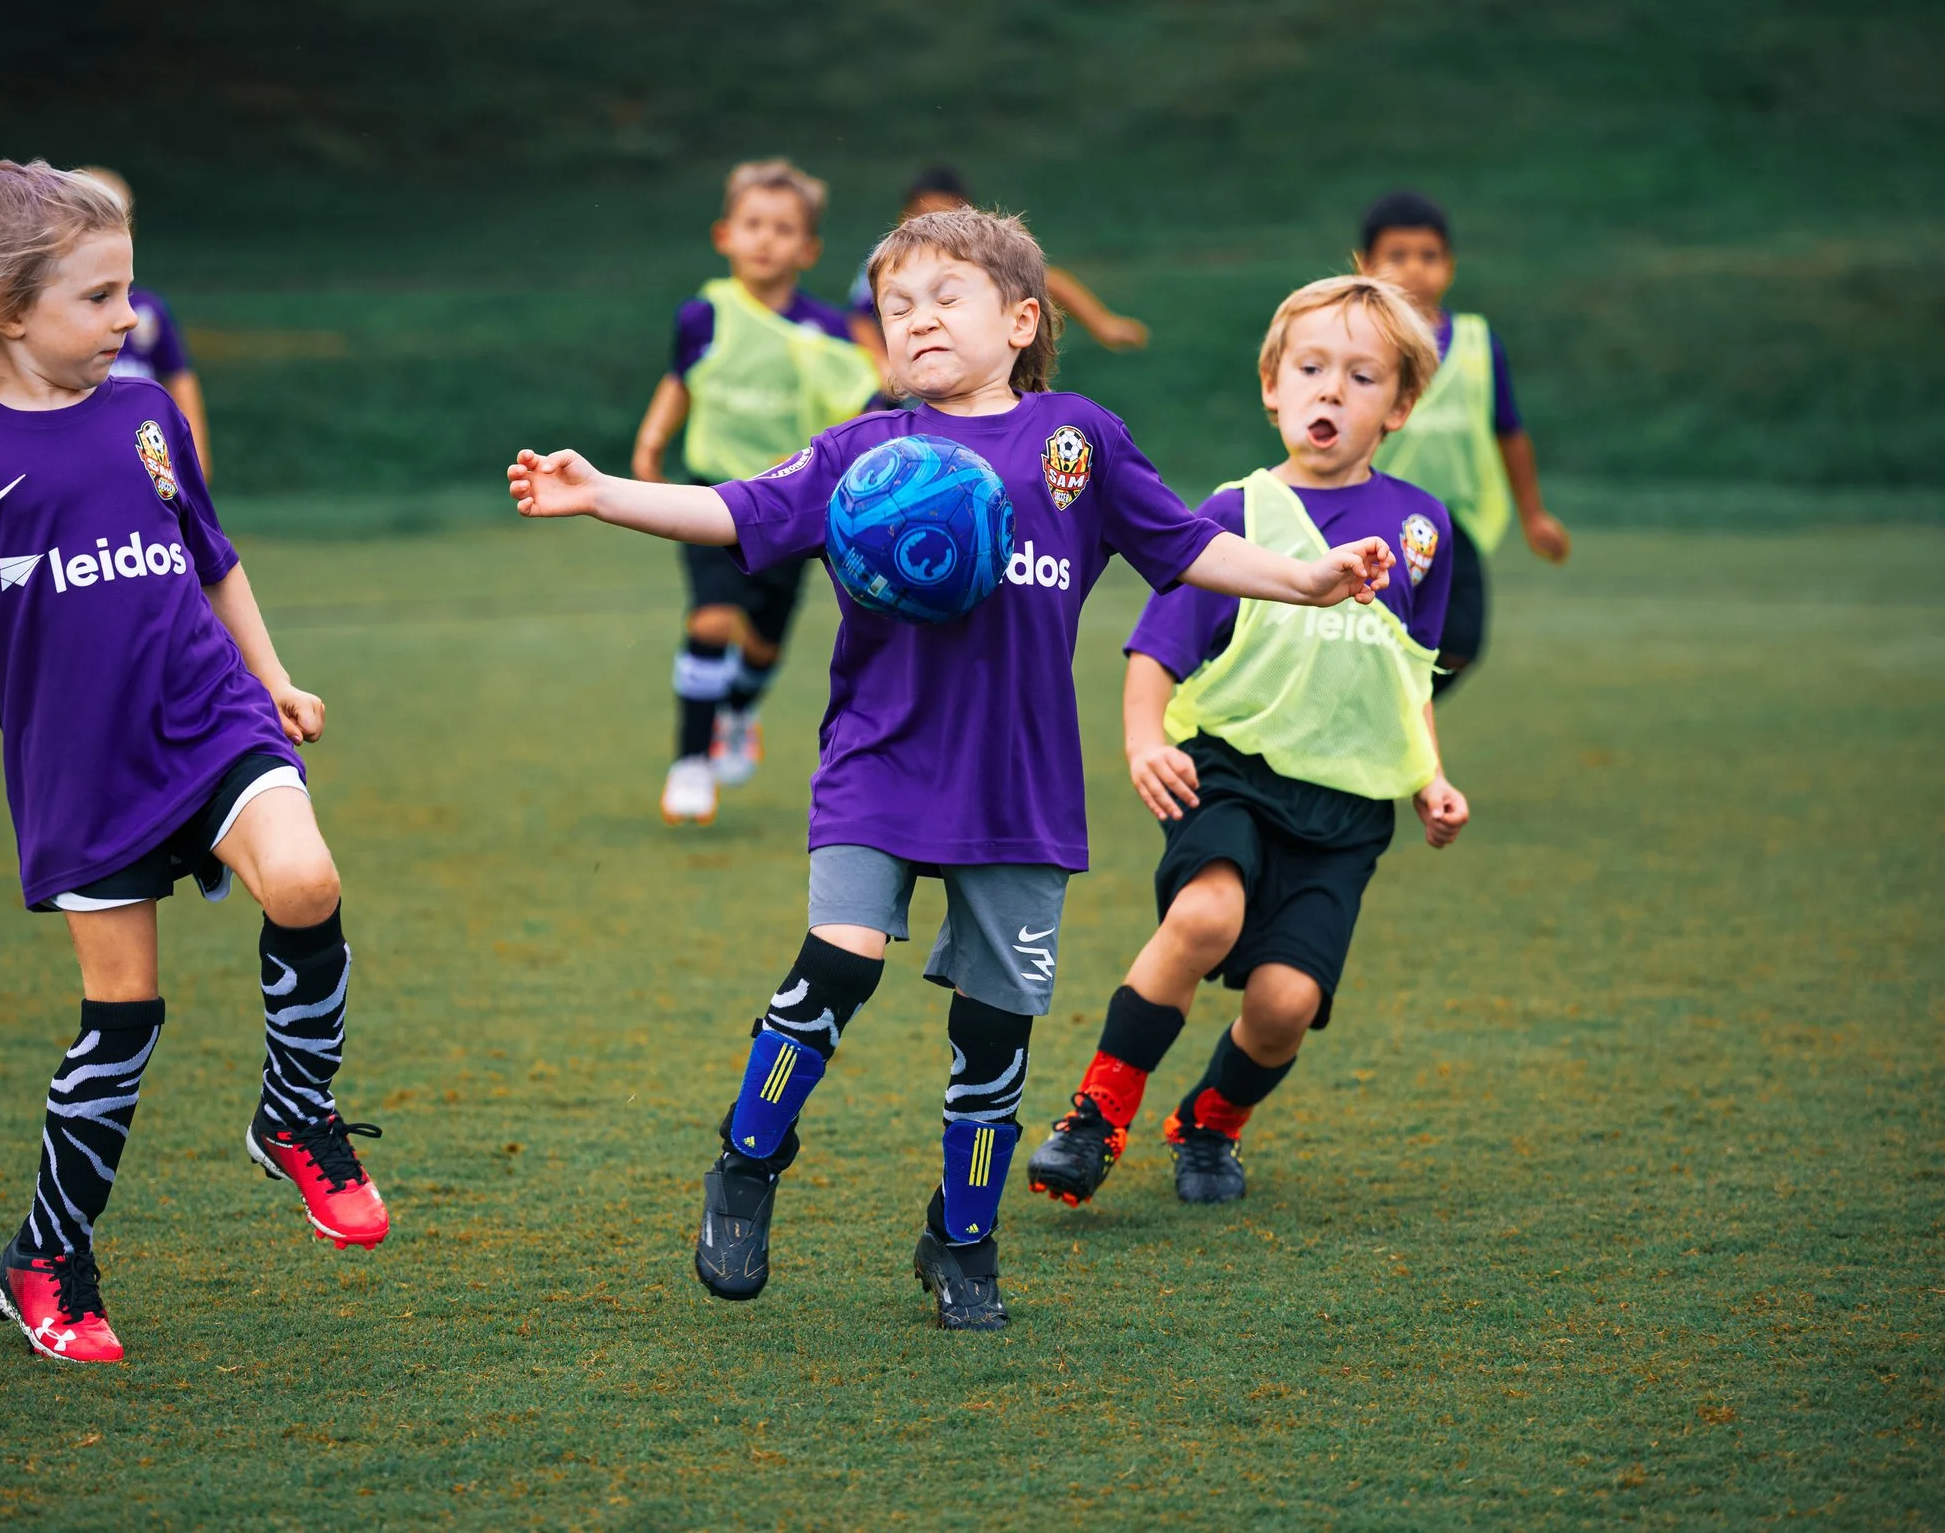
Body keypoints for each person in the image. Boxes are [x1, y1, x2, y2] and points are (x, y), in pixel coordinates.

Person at [506, 208, 1396, 1329]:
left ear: (1023, 320)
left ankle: (961, 1242)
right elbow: (735, 509)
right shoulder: (863, 448)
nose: (915, 318)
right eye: (895, 306)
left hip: (1018, 785)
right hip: (879, 759)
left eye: (945, 297)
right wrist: (600, 493)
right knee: (840, 962)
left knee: (992, 1032)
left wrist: (1306, 578)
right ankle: (745, 1164)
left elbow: (1184, 545)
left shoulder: (1079, 442)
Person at [0, 160, 387, 1365]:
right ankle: (45, 1256)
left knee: (305, 881)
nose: (129, 317)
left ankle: (295, 1114)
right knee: (120, 1019)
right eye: (100, 297)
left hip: (208, 707)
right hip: (83, 768)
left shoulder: (146, 415)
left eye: (128, 290)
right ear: (6, 312)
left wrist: (272, 675)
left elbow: (212, 557)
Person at [1028, 275, 1468, 1210]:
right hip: (1229, 771)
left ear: (1400, 404)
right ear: (1271, 384)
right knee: (1203, 919)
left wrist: (1429, 775)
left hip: (1346, 808)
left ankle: (1210, 1124)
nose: (1330, 392)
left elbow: (1405, 671)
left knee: (1284, 1007)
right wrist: (1144, 742)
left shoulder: (1424, 529)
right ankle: (1094, 1118)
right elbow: (1157, 650)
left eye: (1360, 376)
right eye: (1309, 368)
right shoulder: (1236, 514)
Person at [629, 159, 881, 823]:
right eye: (753, 225)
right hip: (713, 491)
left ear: (809, 249)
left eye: (783, 228)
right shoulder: (703, 315)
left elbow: (862, 407)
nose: (765, 239)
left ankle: (739, 713)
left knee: (764, 641)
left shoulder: (826, 332)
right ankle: (690, 759)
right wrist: (652, 441)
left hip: (791, 503)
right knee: (712, 617)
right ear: (724, 235)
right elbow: (682, 378)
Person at [1357, 192, 1568, 697]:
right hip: (1376, 520)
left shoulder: (1477, 341)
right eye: (1397, 256)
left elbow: (1509, 430)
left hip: (1455, 525)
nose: (1414, 269)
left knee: (1460, 643)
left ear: (1450, 266)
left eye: (1429, 256)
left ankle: (1393, 721)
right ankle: (1377, 733)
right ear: (1365, 265)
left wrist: (1534, 514)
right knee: (1370, 635)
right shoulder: (1353, 339)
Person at [847, 166, 1152, 371]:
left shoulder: (981, 254)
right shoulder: (890, 262)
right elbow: (861, 318)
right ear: (904, 216)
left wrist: (1102, 323)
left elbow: (1050, 282)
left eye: (945, 216)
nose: (932, 226)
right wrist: (885, 367)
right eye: (922, 215)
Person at [78, 167, 213, 480]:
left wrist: (196, 459)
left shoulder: (148, 310)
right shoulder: (56, 311)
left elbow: (181, 382)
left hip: (145, 463)